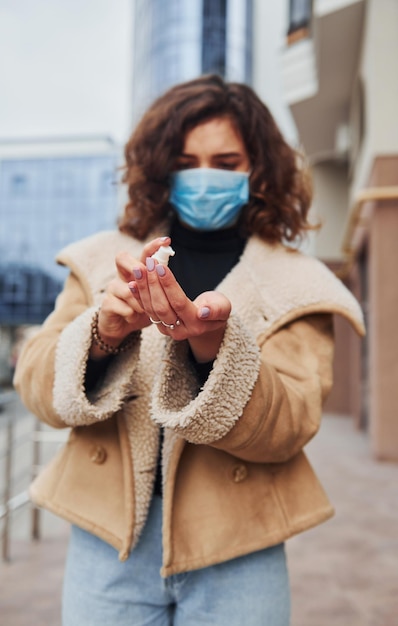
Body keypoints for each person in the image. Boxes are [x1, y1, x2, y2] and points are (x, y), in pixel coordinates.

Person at [14, 74, 365, 626]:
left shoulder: (302, 284)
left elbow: (292, 424)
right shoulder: (100, 260)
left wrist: (213, 348)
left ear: (259, 171)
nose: (204, 178)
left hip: (239, 545)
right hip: (107, 541)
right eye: (186, 161)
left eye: (225, 164)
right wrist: (103, 334)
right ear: (160, 169)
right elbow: (36, 386)